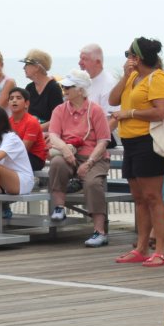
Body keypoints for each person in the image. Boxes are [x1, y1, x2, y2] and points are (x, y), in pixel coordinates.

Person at [109, 37, 164, 266]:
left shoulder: (158, 78)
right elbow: (113, 99)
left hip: (149, 141)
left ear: (138, 57)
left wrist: (131, 113)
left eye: (129, 54)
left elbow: (161, 111)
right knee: (139, 198)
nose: (127, 58)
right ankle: (141, 247)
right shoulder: (133, 77)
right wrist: (125, 76)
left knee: (153, 197)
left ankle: (161, 250)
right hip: (130, 142)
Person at [46, 70, 112, 247]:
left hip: (94, 157)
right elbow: (53, 135)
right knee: (57, 162)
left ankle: (100, 231)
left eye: (69, 86)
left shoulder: (95, 110)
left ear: (81, 90)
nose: (65, 89)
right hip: (69, 154)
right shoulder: (60, 110)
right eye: (64, 86)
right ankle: (59, 207)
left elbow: (103, 141)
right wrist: (65, 150)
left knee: (92, 183)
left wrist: (89, 162)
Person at [21, 49, 63, 133]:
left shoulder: (53, 88)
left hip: (49, 134)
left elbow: (59, 118)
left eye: (27, 64)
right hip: (32, 132)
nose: (23, 67)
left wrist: (35, 129)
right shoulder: (29, 88)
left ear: (37, 67)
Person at [7, 87, 47, 171]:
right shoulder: (7, 122)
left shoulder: (32, 121)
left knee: (0, 163)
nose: (14, 100)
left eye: (18, 98)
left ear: (26, 104)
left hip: (34, 158)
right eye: (11, 98)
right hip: (14, 154)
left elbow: (23, 148)